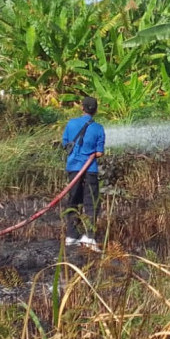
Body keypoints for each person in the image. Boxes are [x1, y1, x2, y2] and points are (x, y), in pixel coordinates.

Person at [62, 96, 105, 249]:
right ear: (96, 110)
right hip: (90, 170)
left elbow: (65, 143)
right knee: (91, 203)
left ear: (82, 108)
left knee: (73, 201)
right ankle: (89, 237)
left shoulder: (71, 124)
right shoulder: (98, 128)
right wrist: (92, 152)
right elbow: (99, 153)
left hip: (73, 169)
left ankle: (71, 236)